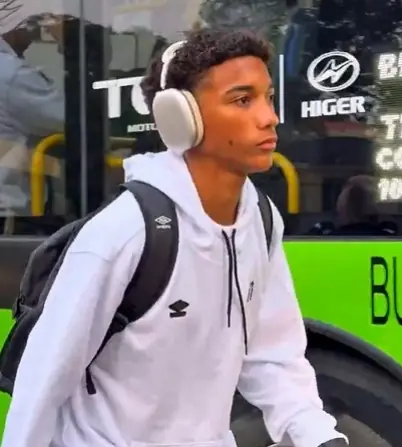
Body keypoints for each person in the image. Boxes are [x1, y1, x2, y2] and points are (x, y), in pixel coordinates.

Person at [1, 29, 348, 447]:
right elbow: (43, 382)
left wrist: (317, 434)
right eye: (242, 100)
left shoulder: (259, 217)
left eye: (268, 97)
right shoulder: (125, 231)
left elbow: (273, 354)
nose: (269, 117)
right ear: (180, 117)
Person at [0, 4, 64, 214]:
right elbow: (72, 118)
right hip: (10, 215)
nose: (37, 25)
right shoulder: (12, 75)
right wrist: (71, 44)